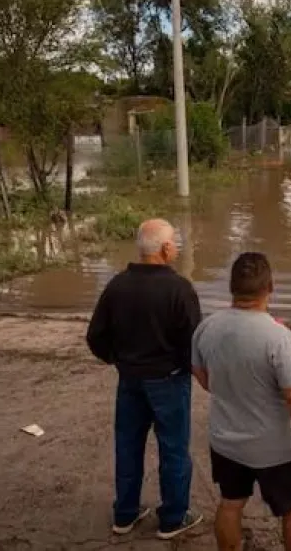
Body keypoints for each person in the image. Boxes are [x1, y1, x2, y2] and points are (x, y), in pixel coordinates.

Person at [190, 252, 291, 551]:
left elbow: (202, 375)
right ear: (270, 287)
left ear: (231, 287)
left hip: (226, 441)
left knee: (230, 504)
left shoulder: (207, 328)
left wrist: (230, 389)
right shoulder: (280, 338)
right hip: (277, 450)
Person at [85, 218, 203, 540]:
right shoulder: (179, 288)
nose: (176, 247)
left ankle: (124, 514)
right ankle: (173, 518)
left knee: (128, 446)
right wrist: (187, 368)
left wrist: (117, 359)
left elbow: (95, 336)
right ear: (165, 248)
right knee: (174, 449)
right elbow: (194, 342)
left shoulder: (117, 286)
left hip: (130, 380)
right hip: (169, 381)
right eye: (174, 242)